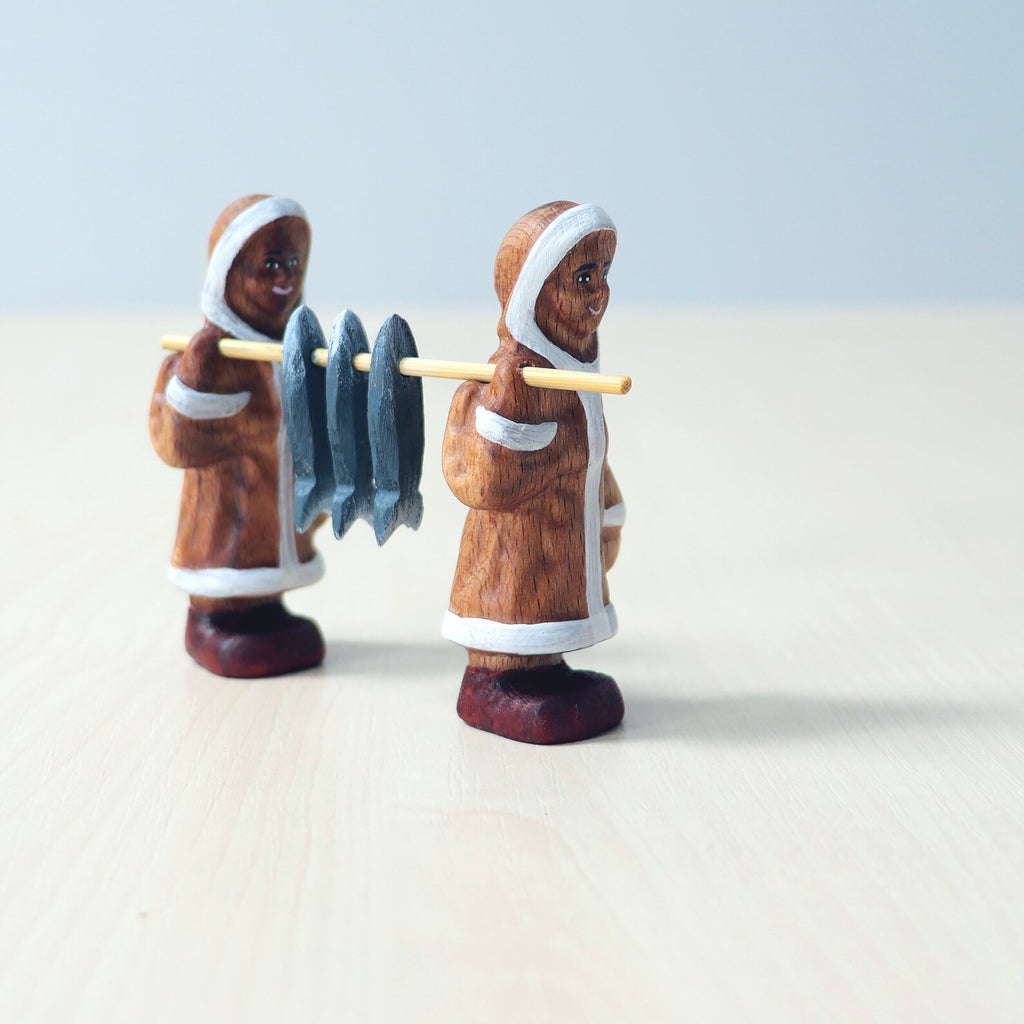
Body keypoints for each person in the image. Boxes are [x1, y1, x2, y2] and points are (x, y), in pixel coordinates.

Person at [441, 201, 626, 743]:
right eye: (583, 277)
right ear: (536, 288)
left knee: (547, 615)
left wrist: (605, 509)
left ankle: (540, 665)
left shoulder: (574, 378)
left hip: (561, 550)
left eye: (604, 275)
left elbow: (589, 459)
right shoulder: (492, 389)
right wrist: (506, 409)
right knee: (516, 615)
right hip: (509, 568)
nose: (599, 293)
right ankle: (491, 680)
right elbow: (481, 482)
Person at [150, 195, 326, 677]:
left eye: (293, 262)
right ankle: (211, 619)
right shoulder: (200, 359)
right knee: (229, 563)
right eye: (268, 265)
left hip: (274, 520)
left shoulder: (292, 356)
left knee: (268, 561)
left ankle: (264, 604)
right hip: (221, 530)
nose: (285, 279)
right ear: (230, 272)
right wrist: (195, 378)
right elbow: (174, 442)